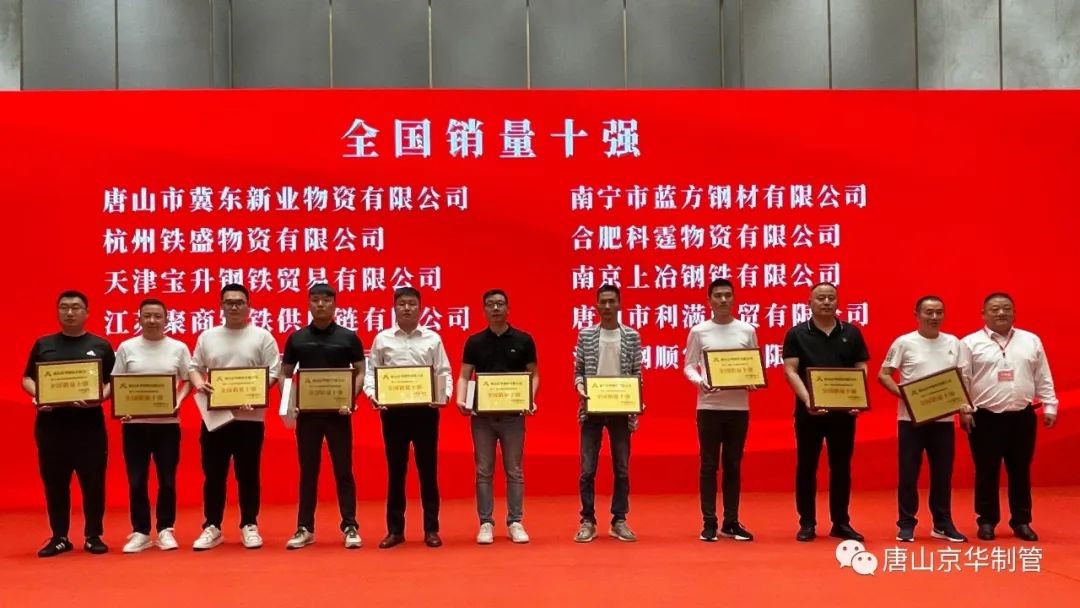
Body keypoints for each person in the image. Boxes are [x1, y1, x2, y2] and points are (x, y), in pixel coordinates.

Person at [22, 290, 115, 557]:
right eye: (64, 307)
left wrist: (99, 398)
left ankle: (93, 535)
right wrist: (38, 395)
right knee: (55, 483)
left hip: (89, 427)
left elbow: (113, 381)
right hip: (51, 427)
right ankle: (59, 536)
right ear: (57, 311)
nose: (70, 312)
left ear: (87, 313)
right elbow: (27, 378)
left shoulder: (100, 345)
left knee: (93, 483)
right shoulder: (44, 344)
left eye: (76, 307)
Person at [189, 284, 280, 551]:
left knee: (248, 474)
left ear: (249, 306)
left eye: (240, 302)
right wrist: (199, 383)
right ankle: (212, 526)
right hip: (215, 417)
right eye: (229, 302)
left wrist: (258, 392)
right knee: (213, 474)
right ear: (221, 306)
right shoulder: (208, 336)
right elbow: (194, 368)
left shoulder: (262, 337)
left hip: (250, 418)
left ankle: (249, 524)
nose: (234, 307)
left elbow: (274, 372)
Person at [961, 293, 1059, 542]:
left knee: (1020, 471)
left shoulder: (1030, 340)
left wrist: (1050, 406)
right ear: (983, 314)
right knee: (986, 471)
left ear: (1014, 313)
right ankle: (986, 521)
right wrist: (964, 409)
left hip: (1022, 417)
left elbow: (1043, 375)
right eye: (995, 309)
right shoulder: (969, 343)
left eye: (1006, 308)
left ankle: (1021, 521)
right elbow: (962, 380)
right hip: (984, 418)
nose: (1001, 313)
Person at [363, 287, 452, 549]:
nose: (407, 308)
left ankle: (431, 529)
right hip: (394, 413)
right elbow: (372, 373)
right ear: (394, 308)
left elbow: (443, 372)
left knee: (428, 471)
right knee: (396, 471)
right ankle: (395, 531)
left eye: (412, 304)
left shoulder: (432, 338)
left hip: (425, 411)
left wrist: (443, 395)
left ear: (420, 308)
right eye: (402, 304)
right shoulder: (383, 339)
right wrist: (373, 395)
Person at [877, 295, 970, 543]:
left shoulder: (954, 343)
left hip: (943, 421)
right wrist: (907, 396)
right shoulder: (904, 342)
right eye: (928, 312)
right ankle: (906, 524)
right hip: (911, 420)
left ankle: (942, 524)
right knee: (908, 473)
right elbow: (884, 375)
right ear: (917, 315)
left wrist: (964, 410)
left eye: (939, 312)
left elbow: (962, 379)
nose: (934, 317)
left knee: (942, 474)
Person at [281, 284, 365, 550]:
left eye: (326, 300)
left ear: (334, 305)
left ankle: (350, 525)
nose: (321, 305)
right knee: (308, 471)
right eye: (315, 300)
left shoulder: (348, 337)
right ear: (308, 304)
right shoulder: (297, 338)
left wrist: (350, 399)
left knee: (343, 470)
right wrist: (290, 403)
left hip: (339, 414)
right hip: (308, 416)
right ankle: (305, 527)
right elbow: (285, 374)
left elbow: (361, 371)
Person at [782, 282, 868, 542]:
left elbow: (861, 366)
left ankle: (841, 522)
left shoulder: (851, 332)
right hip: (809, 412)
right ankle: (807, 522)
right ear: (809, 303)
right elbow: (790, 370)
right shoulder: (797, 334)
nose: (827, 302)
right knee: (807, 466)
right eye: (821, 298)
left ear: (838, 302)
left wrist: (859, 396)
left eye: (831, 297)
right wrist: (808, 400)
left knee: (841, 467)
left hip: (844, 413)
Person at [113, 298, 197, 553]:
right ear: (139, 319)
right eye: (147, 316)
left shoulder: (178, 348)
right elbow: (117, 382)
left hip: (167, 425)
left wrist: (178, 401)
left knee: (167, 479)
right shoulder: (126, 347)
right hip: (135, 426)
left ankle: (165, 529)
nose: (152, 320)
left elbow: (189, 379)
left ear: (166, 319)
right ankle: (140, 531)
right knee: (137, 480)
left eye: (157, 316)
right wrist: (123, 408)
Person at [455, 289, 538, 544]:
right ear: (484, 310)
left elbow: (534, 375)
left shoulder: (523, 340)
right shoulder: (475, 341)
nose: (495, 308)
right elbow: (464, 375)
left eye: (500, 304)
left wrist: (529, 398)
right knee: (484, 470)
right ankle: (485, 522)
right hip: (483, 417)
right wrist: (461, 399)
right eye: (490, 304)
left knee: (514, 470)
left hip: (513, 416)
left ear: (508, 308)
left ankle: (515, 521)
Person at [682, 278, 756, 542]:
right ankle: (709, 522)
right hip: (709, 406)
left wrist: (753, 379)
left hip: (738, 407)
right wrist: (700, 381)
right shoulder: (699, 331)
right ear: (709, 300)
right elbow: (689, 365)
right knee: (709, 464)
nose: (723, 300)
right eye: (718, 296)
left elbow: (753, 364)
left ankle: (731, 521)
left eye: (727, 295)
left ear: (734, 298)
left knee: (733, 464)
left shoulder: (747, 330)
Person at [573, 284, 643, 543]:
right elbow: (579, 371)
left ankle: (619, 520)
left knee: (621, 468)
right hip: (592, 409)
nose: (607, 306)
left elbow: (637, 374)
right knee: (587, 469)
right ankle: (587, 521)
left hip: (621, 410)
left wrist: (637, 401)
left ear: (619, 304)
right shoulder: (586, 335)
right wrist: (580, 388)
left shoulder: (632, 336)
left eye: (612, 301)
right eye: (602, 301)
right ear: (596, 305)